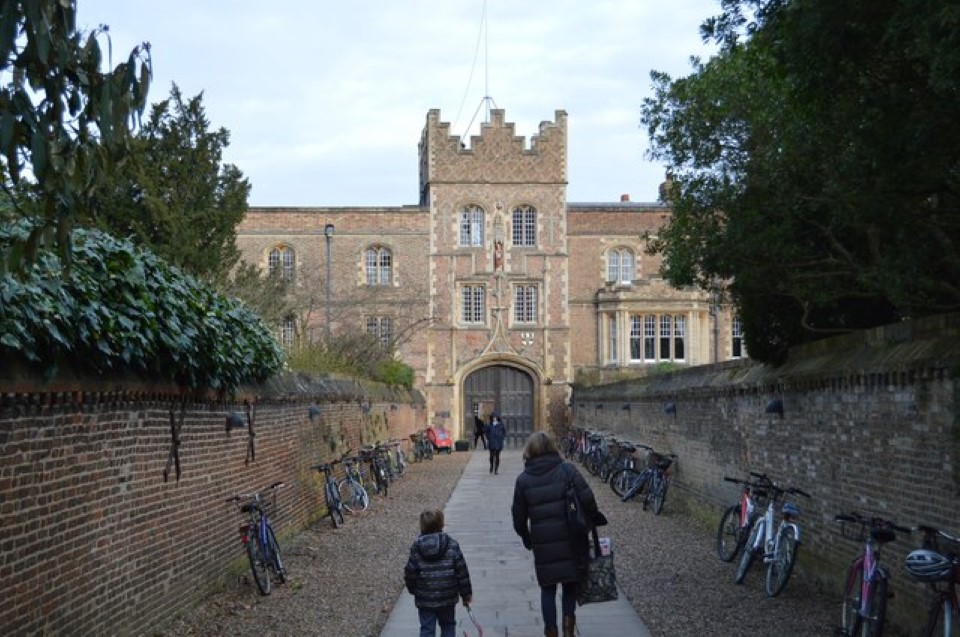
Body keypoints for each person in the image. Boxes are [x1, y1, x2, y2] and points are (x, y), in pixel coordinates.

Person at [511, 431, 603, 637]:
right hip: (571, 538)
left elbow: (518, 518)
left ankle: (551, 632)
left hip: (543, 543)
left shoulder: (523, 480)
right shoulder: (567, 470)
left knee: (548, 589)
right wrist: (591, 521)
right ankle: (568, 631)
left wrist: (527, 537)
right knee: (569, 584)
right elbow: (588, 498)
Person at [404, 509, 473, 637]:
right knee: (448, 625)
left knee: (427, 628)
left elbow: (410, 572)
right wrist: (466, 595)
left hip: (425, 598)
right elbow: (461, 571)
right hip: (447, 596)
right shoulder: (451, 544)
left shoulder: (416, 547)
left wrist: (413, 589)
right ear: (441, 523)